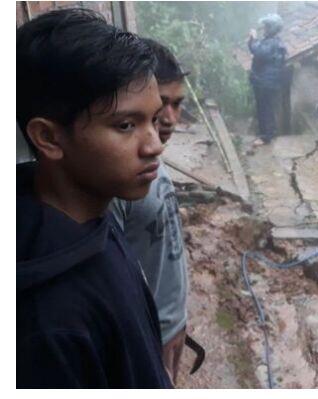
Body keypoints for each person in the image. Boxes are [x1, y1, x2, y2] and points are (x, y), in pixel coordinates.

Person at [17, 8, 171, 388]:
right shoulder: (49, 321)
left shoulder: (93, 210)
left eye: (153, 119)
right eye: (125, 125)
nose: (154, 146)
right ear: (49, 138)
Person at [111, 38, 195, 384]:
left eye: (178, 104)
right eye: (163, 104)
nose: (172, 119)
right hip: (147, 336)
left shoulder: (152, 157)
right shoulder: (116, 182)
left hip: (170, 325)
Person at [248, 13, 287, 146]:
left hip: (266, 83)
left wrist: (253, 39)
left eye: (265, 27)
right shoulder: (271, 42)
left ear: (271, 28)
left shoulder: (272, 43)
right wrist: (252, 41)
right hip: (265, 82)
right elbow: (256, 49)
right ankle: (268, 133)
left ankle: (266, 137)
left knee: (265, 109)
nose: (263, 29)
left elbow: (258, 52)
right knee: (265, 108)